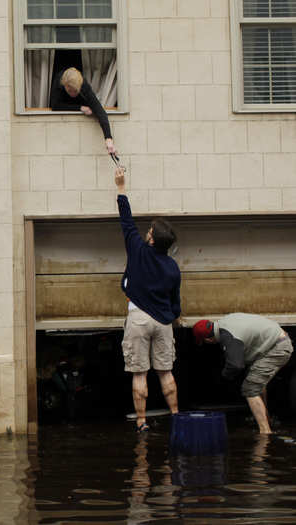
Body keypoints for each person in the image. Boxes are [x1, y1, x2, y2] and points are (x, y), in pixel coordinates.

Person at [115, 166, 181, 432]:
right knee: (166, 372)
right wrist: (171, 316)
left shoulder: (138, 250)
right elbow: (176, 302)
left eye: (150, 231)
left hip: (139, 318)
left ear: (152, 240)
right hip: (163, 321)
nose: (147, 231)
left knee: (139, 373)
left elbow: (125, 220)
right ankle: (176, 416)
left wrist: (121, 188)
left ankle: (142, 421)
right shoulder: (173, 267)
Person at [192, 314, 293, 434]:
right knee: (256, 380)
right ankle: (266, 419)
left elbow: (235, 365)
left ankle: (265, 432)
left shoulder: (228, 337)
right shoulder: (224, 322)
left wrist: (223, 378)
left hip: (277, 347)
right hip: (276, 339)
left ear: (209, 339)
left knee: (250, 388)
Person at [50, 67, 117, 155]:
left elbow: (99, 110)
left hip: (80, 100)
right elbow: (55, 106)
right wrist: (80, 108)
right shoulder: (59, 82)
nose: (73, 94)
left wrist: (108, 139)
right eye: (70, 91)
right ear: (64, 85)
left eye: (75, 91)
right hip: (66, 103)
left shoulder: (83, 84)